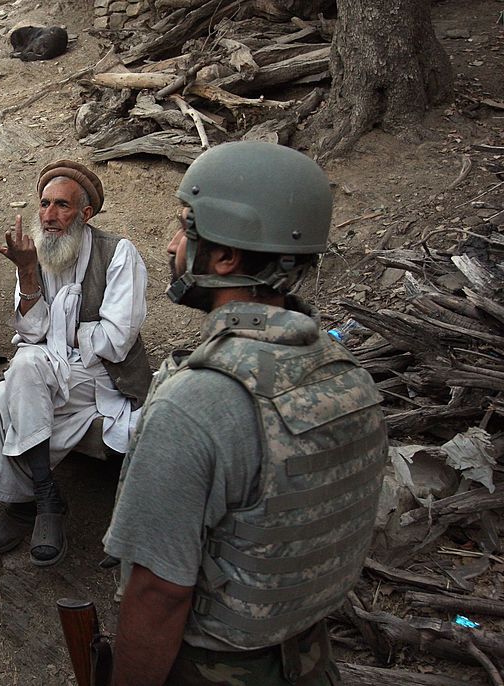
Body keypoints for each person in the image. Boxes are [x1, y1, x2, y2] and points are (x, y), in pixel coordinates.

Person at [103, 141, 389, 685]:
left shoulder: (195, 405)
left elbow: (159, 593)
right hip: (309, 659)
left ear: (225, 256)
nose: (172, 244)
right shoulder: (343, 370)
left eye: (186, 229)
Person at [0, 160, 150, 567]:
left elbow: (116, 340)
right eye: (44, 204)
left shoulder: (119, 254)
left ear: (85, 215)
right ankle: (46, 498)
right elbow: (31, 333)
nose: (49, 216)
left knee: (6, 395)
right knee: (20, 373)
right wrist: (28, 273)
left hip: (104, 374)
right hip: (52, 365)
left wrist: (62, 331)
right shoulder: (33, 255)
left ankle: (23, 506)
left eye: (62, 206)